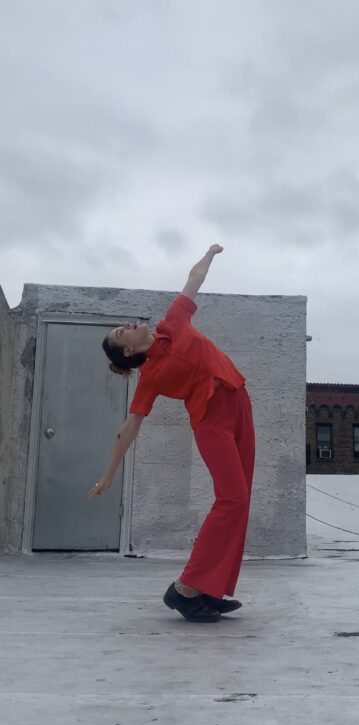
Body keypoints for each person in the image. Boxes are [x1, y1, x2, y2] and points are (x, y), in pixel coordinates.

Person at [89, 245, 255, 623]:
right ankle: (184, 589)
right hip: (211, 420)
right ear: (128, 351)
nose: (128, 325)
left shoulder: (174, 322)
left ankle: (209, 590)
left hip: (237, 400)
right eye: (121, 332)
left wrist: (210, 254)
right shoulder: (149, 379)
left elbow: (193, 279)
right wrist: (109, 474)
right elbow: (129, 427)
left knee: (240, 501)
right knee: (231, 498)